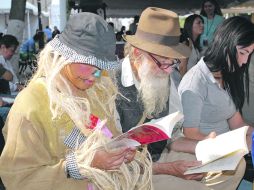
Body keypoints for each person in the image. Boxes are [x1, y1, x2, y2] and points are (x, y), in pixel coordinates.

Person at [0, 13, 153, 190]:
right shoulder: (30, 104)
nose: (96, 75)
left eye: (101, 68)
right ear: (65, 57)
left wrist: (120, 148)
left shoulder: (97, 93)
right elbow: (19, 179)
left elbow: (109, 134)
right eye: (89, 64)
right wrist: (81, 165)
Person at [114, 7, 241, 190]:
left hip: (162, 157)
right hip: (132, 171)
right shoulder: (111, 85)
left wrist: (204, 144)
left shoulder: (165, 77)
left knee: (234, 166)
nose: (168, 70)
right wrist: (170, 169)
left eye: (172, 62)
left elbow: (173, 138)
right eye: (163, 62)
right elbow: (113, 159)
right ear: (136, 54)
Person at [174, 16, 254, 190]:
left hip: (229, 151)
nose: (245, 61)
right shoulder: (195, 83)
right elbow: (189, 133)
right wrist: (229, 143)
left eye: (249, 54)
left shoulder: (226, 75)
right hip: (209, 156)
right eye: (242, 53)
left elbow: (237, 122)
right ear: (226, 45)